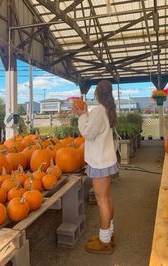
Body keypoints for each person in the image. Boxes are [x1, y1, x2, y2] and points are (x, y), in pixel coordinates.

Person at [72, 80, 118, 255]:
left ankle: (104, 241)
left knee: (102, 200)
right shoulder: (106, 110)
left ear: (97, 94)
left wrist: (81, 115)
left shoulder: (99, 110)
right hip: (105, 160)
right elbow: (95, 130)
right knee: (106, 198)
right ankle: (107, 234)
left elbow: (87, 133)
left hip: (100, 162)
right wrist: (86, 113)